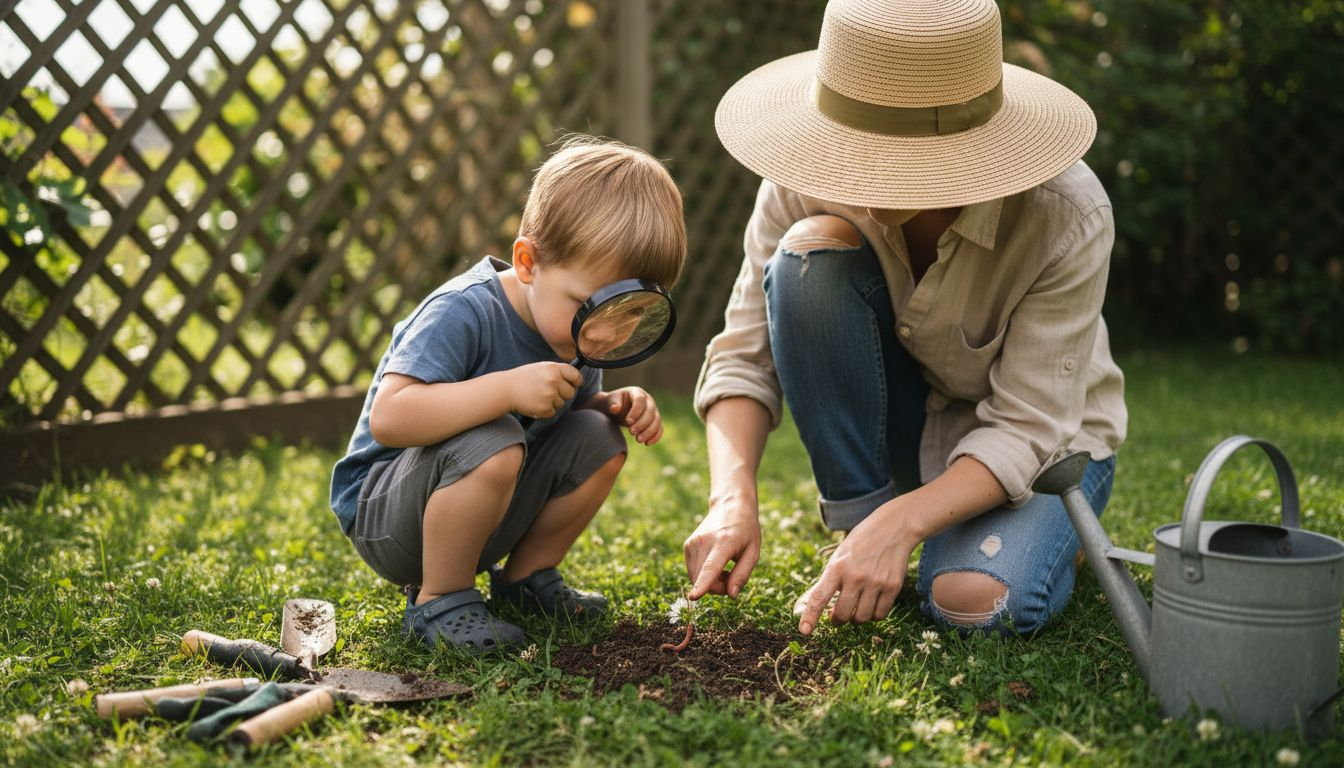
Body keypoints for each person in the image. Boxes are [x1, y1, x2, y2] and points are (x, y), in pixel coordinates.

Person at [684, 0, 1126, 639]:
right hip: (905, 424)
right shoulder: (802, 176)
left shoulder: (1066, 215)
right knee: (811, 251)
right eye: (854, 145)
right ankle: (860, 528)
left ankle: (1010, 534)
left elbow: (1029, 424)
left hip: (1041, 444)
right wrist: (731, 499)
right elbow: (743, 355)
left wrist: (904, 524)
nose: (859, 173)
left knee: (972, 601)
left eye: (892, 155)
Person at [330, 138, 687, 653]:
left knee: (599, 435)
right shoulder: (463, 310)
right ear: (527, 262)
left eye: (630, 313)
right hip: (389, 519)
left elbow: (562, 420)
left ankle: (525, 582)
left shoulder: (570, 334)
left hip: (484, 509)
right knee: (496, 435)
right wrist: (506, 390)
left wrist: (612, 406)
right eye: (590, 306)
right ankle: (440, 600)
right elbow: (391, 416)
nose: (608, 335)